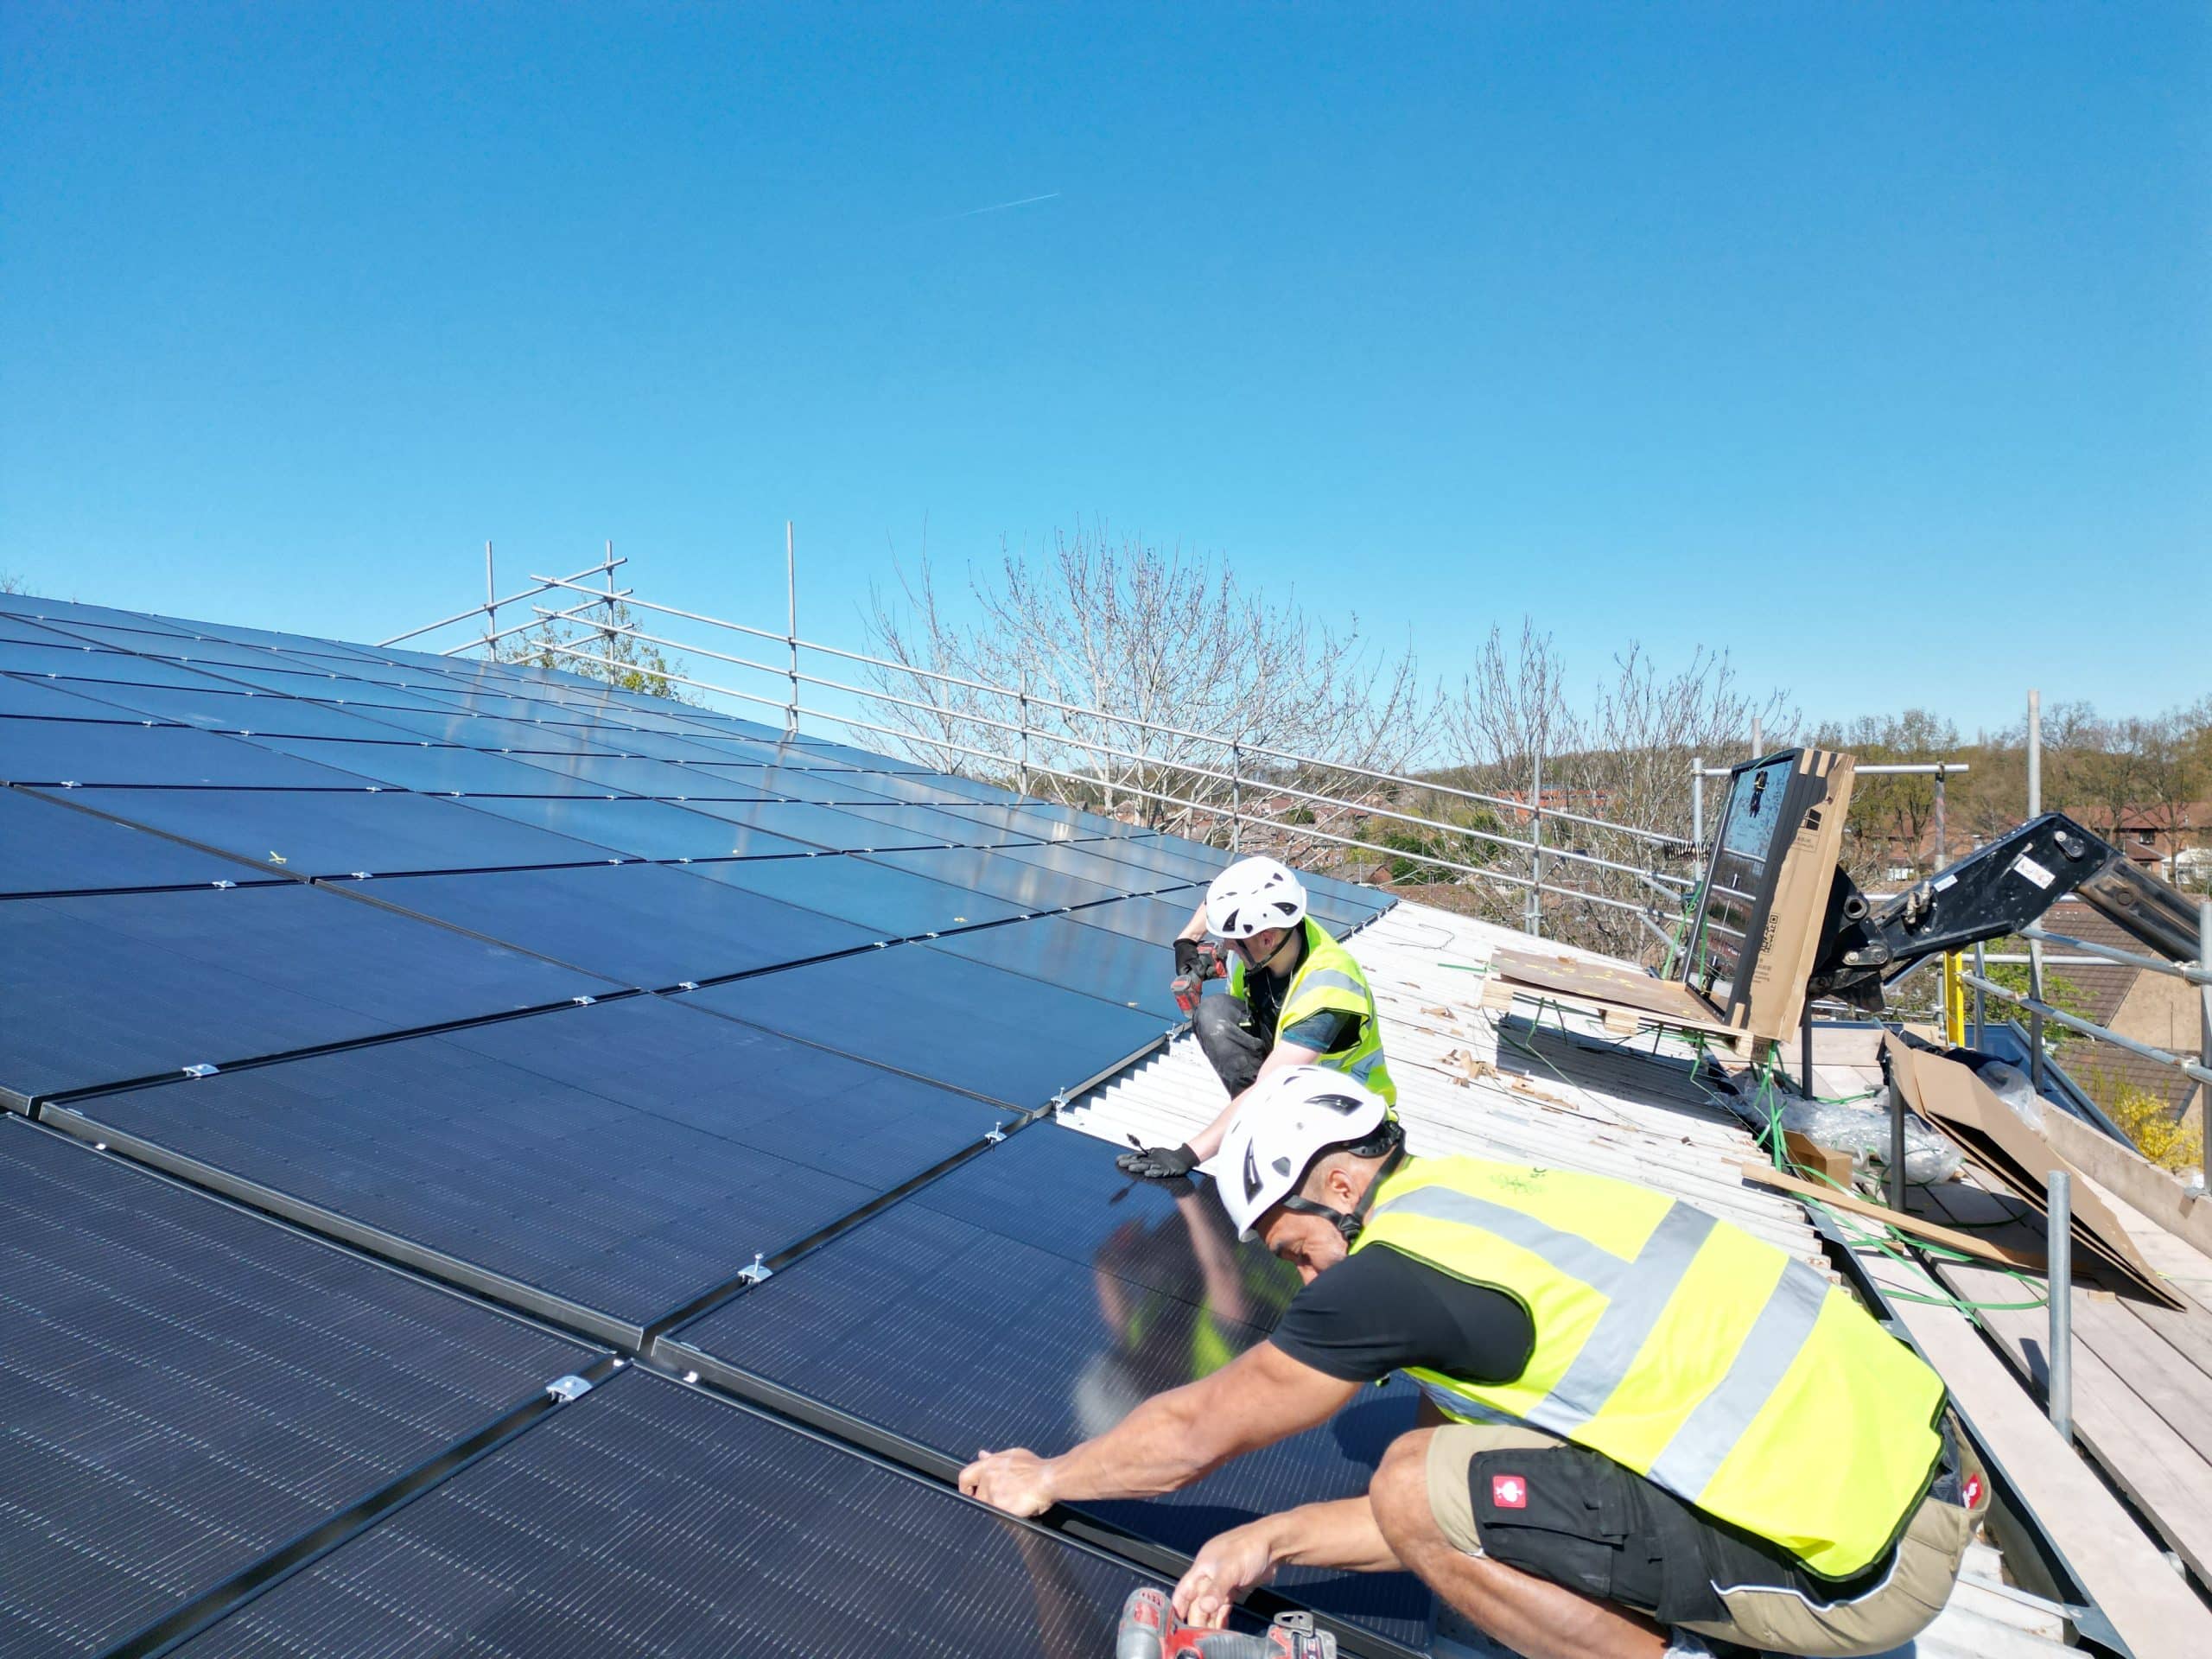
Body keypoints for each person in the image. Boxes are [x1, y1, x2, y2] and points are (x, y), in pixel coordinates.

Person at [965, 1069, 1981, 1659]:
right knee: (1432, 1475)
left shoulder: (1393, 1275)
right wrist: (1266, 1544)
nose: (1307, 1283)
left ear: (1340, 1181)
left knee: (1413, 1476)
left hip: (1860, 1568)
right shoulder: (1477, 1197)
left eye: (1295, 1250)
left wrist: (1049, 1476)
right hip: (1915, 1462)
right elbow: (1452, 1511)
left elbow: (1191, 1437)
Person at [1117, 856, 1395, 1180]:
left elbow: (1271, 1087)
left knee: (1315, 1173)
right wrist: (1187, 939)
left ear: (1266, 937)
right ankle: (1264, 1132)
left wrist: (1187, 1154)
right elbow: (1222, 901)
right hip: (1292, 1076)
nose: (1224, 947)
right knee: (1214, 1015)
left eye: (1232, 939)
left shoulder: (1327, 988)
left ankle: (1285, 1154)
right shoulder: (1275, 936)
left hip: (1348, 1117)